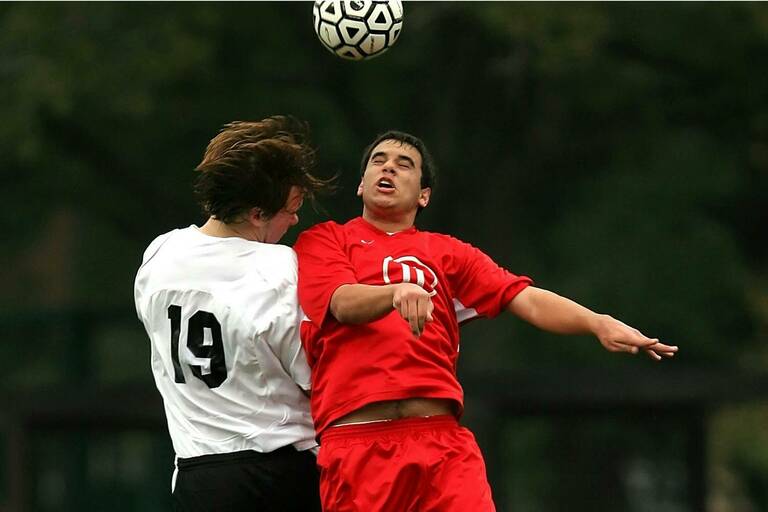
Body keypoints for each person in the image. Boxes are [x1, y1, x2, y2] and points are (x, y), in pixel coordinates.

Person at [294, 130, 679, 512]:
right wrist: (395, 292)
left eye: (404, 164)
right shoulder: (326, 240)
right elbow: (342, 303)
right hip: (357, 444)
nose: (388, 167)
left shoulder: (447, 252)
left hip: (442, 445)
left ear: (424, 195)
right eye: (378, 161)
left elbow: (523, 297)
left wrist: (597, 322)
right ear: (361, 185)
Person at [134, 116, 333, 511]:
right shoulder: (277, 268)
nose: (295, 220)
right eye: (290, 209)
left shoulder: (159, 256)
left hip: (197, 477)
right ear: (257, 214)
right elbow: (315, 375)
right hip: (278, 473)